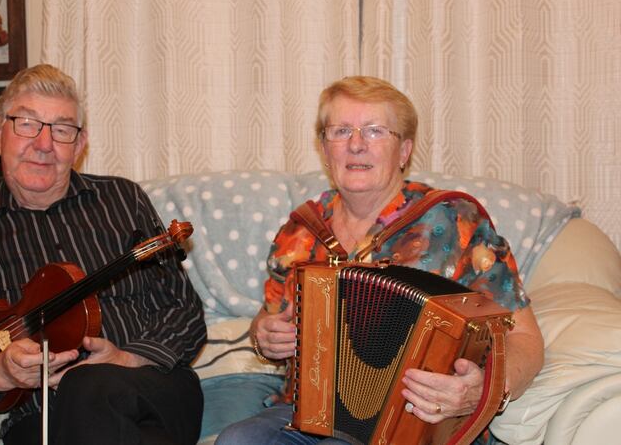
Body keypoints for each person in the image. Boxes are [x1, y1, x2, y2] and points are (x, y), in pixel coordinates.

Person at [216, 76, 544, 444]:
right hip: (309, 414)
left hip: (416, 419)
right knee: (238, 439)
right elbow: (270, 320)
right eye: (340, 131)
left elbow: (526, 338)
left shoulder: (455, 220)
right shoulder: (299, 231)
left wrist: (483, 391)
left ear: (404, 151)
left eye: (374, 131)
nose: (356, 145)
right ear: (324, 148)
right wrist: (265, 335)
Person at [0, 64, 207, 445]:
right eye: (27, 123)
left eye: (61, 129)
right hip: (43, 421)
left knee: (87, 383)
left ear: (80, 143)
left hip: (152, 391)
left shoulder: (124, 200)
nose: (43, 144)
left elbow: (186, 312)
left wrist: (126, 359)